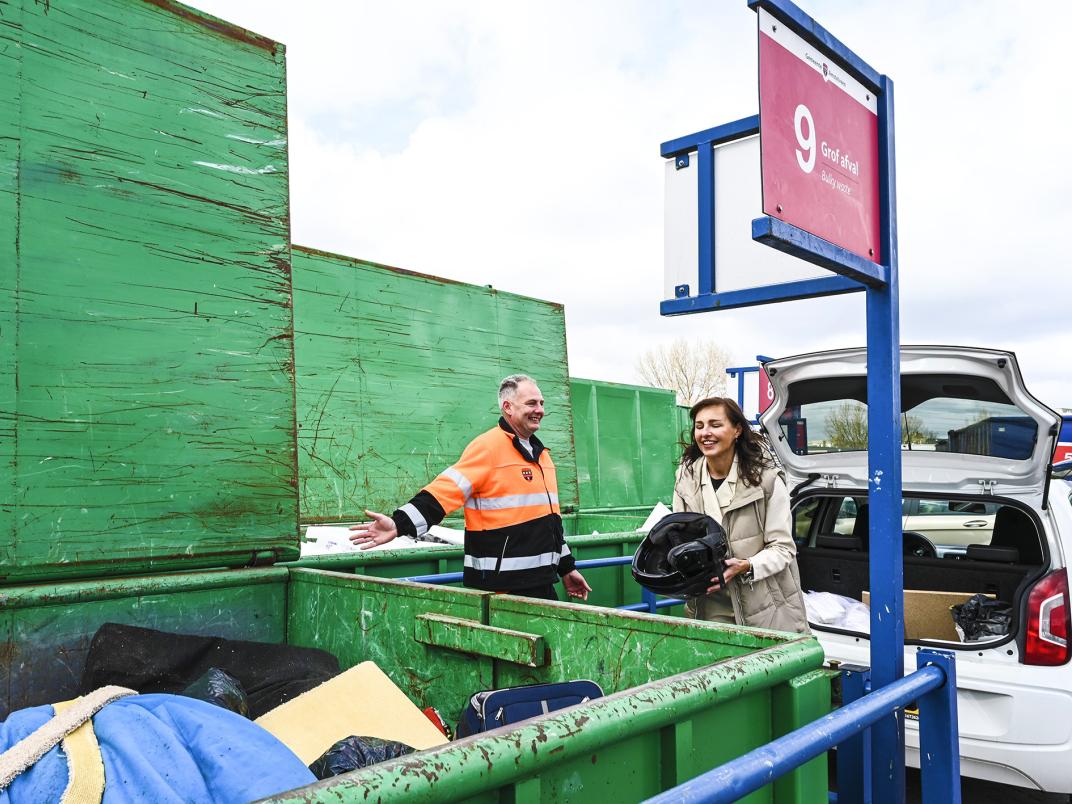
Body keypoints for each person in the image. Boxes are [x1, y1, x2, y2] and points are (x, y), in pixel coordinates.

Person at [349, 374, 592, 602]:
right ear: (508, 407)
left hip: (542, 583)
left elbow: (551, 523)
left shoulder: (542, 457)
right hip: (503, 590)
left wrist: (567, 567)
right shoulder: (488, 448)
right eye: (531, 403)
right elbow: (444, 493)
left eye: (541, 403)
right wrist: (398, 523)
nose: (540, 410)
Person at [672, 396, 809, 633]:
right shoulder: (685, 480)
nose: (706, 433)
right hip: (709, 604)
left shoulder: (767, 481)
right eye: (699, 425)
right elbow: (680, 538)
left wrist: (746, 565)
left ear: (736, 430)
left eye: (716, 425)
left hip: (764, 606)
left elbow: (784, 548)